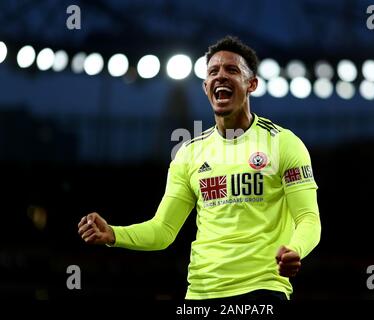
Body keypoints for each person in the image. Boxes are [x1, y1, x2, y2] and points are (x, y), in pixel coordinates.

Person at [77, 35, 321, 301]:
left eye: (232, 70)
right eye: (213, 71)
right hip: (200, 294)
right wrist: (114, 234)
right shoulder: (189, 153)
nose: (221, 76)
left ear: (251, 84)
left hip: (261, 290)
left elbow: (309, 218)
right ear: (206, 87)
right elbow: (162, 230)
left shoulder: (283, 143)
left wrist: (295, 248)